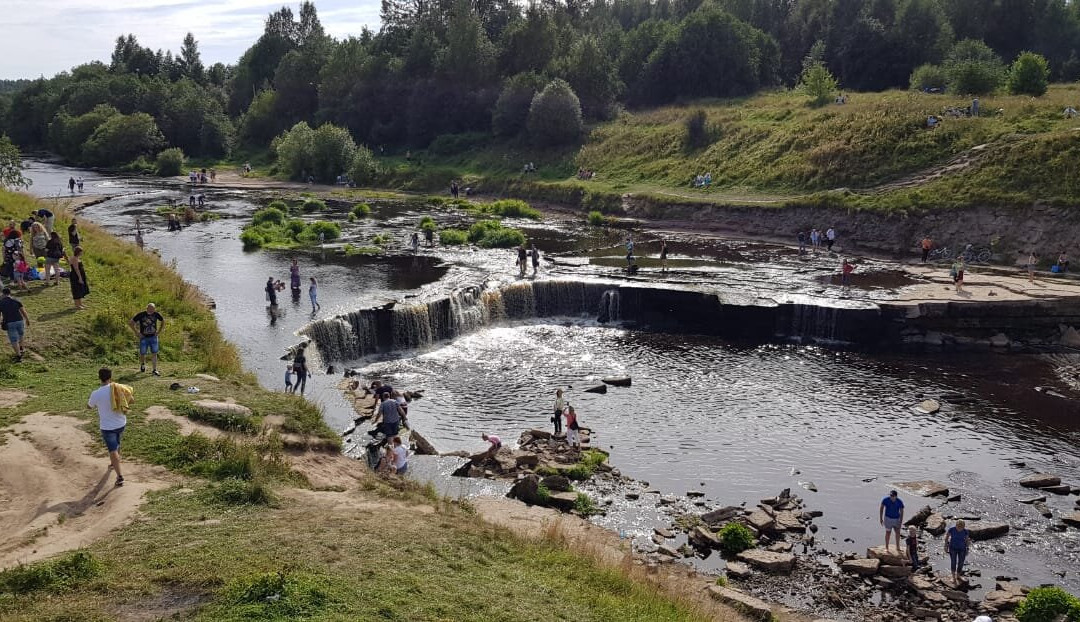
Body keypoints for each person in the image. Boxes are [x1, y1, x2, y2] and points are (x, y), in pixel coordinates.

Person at [87, 367, 131, 488]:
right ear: (110, 377)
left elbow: (89, 406)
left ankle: (120, 477)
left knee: (112, 449)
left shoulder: (96, 393)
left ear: (99, 377)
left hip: (107, 427)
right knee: (117, 443)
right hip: (121, 423)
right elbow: (130, 397)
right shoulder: (118, 388)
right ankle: (114, 463)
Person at [130, 302, 165, 375]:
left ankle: (154, 369)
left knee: (154, 353)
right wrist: (137, 332)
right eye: (150, 308)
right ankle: (143, 365)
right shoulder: (141, 314)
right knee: (142, 353)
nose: (152, 310)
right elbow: (131, 322)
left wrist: (159, 331)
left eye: (153, 309)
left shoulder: (156, 314)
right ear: (147, 308)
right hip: (144, 337)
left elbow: (163, 321)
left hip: (153, 337)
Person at [1, 287, 30, 361]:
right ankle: (21, 349)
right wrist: (27, 319)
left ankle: (18, 356)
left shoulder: (1, 302)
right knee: (21, 335)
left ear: (3, 294)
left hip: (10, 322)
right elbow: (23, 311)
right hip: (20, 321)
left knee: (14, 340)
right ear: (10, 293)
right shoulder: (16, 300)